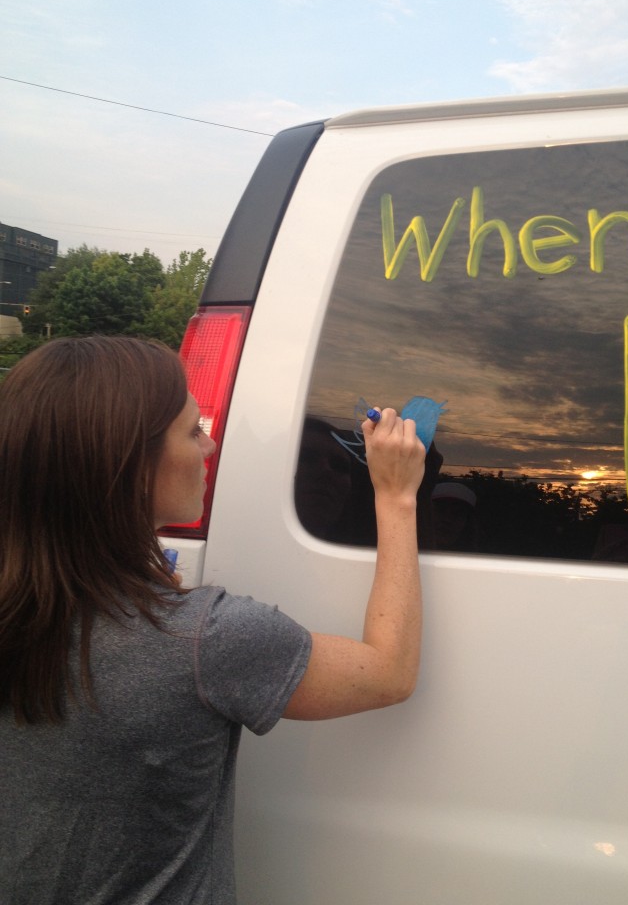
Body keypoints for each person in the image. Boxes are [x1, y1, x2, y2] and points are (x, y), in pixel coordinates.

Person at [0, 335, 425, 905]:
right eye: (193, 429)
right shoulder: (202, 640)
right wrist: (396, 497)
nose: (211, 443)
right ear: (128, 465)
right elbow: (389, 671)